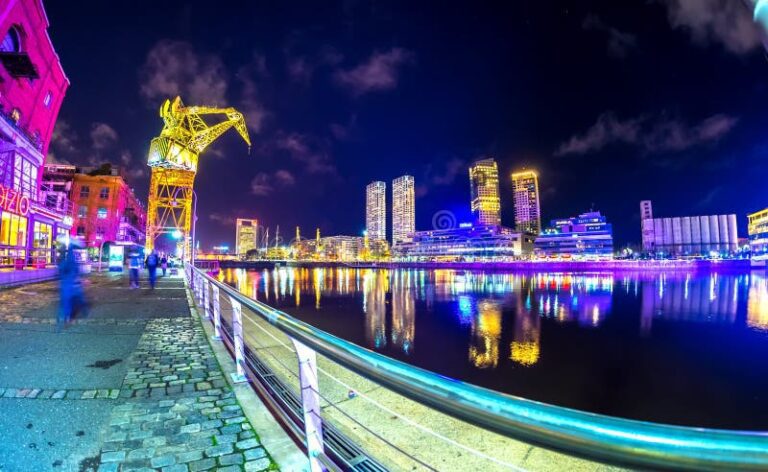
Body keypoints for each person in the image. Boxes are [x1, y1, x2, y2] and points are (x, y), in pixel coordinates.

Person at [57, 240, 88, 332]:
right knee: (76, 299)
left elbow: (63, 270)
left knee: (68, 300)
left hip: (67, 283)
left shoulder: (64, 262)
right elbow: (75, 270)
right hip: (71, 282)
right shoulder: (69, 262)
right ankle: (75, 314)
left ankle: (67, 317)